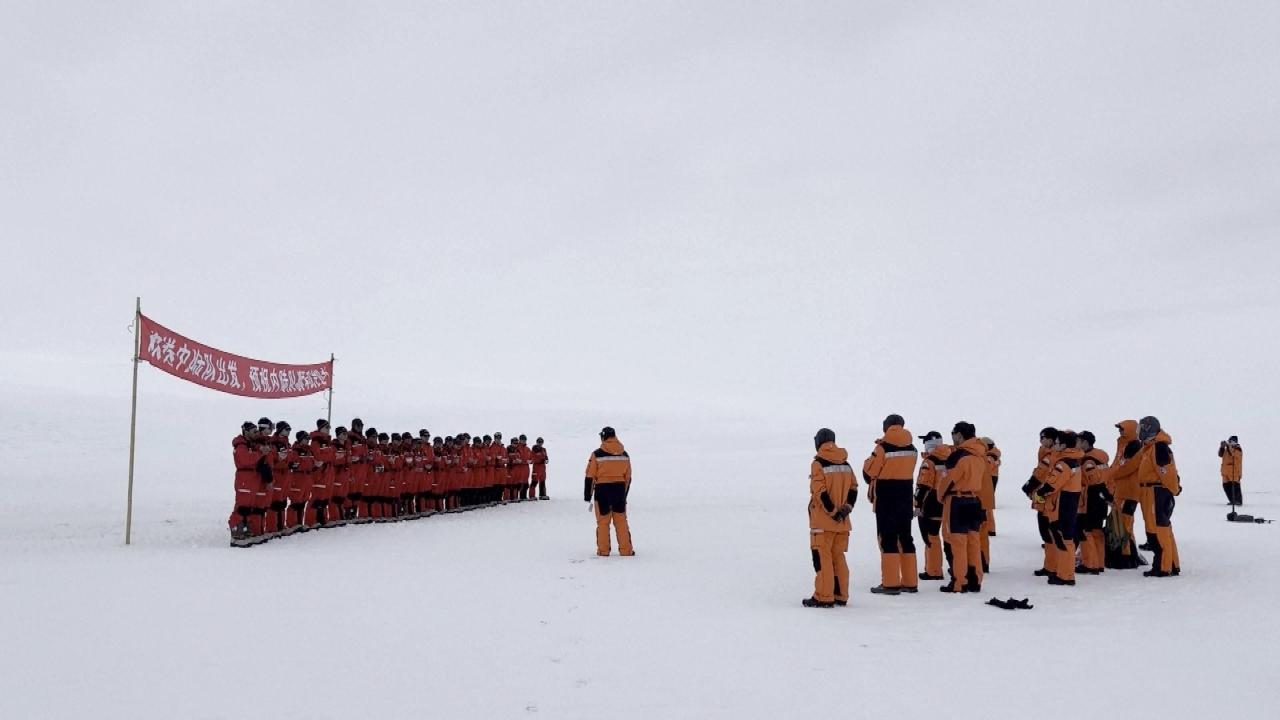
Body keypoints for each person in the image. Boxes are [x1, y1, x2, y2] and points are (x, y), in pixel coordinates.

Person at [862, 414, 920, 595]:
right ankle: (910, 582)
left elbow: (869, 470)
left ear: (886, 427)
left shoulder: (882, 448)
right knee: (906, 538)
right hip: (905, 495)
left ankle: (891, 583)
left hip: (887, 496)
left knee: (887, 539)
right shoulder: (913, 448)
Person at [805, 428, 858, 608]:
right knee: (839, 558)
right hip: (842, 524)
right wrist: (846, 510)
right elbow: (854, 489)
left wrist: (833, 512)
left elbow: (820, 492)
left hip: (823, 523)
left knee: (822, 559)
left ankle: (824, 596)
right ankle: (841, 595)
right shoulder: (846, 463)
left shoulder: (818, 463)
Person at [1032, 430, 1083, 586]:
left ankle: (1066, 575)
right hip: (1068, 505)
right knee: (1063, 539)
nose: (1055, 446)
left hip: (1063, 506)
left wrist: (1039, 492)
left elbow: (1052, 484)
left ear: (1064, 445)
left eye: (1057, 443)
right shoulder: (1073, 460)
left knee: (1064, 540)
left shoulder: (1064, 463)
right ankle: (1061, 572)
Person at [940, 422, 986, 593]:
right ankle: (975, 580)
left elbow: (947, 480)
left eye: (953, 433)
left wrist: (940, 495)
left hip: (957, 501)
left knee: (958, 543)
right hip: (974, 500)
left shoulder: (958, 456)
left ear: (959, 435)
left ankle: (960, 582)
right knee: (974, 542)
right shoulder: (980, 455)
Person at [1134, 416, 1181, 577]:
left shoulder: (1159, 447)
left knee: (1158, 529)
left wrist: (1172, 490)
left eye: (1141, 428)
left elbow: (1167, 472)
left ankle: (1163, 566)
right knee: (1163, 527)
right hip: (1151, 492)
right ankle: (1171, 564)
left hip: (1156, 492)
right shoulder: (1151, 447)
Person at [584, 427, 634, 557]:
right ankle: (626, 550)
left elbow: (590, 475)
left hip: (602, 491)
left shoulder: (597, 454)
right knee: (621, 521)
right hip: (619, 490)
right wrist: (624, 494)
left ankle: (603, 551)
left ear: (604, 437)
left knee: (603, 522)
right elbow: (628, 477)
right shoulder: (625, 455)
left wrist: (587, 495)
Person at [914, 432, 949, 581]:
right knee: (947, 538)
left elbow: (923, 486)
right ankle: (954, 567)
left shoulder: (929, 462)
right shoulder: (951, 458)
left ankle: (934, 571)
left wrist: (917, 504)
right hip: (947, 502)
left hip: (931, 505)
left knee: (931, 538)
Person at [1076, 431, 1111, 575]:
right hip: (1102, 498)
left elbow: (1092, 481)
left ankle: (1090, 564)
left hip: (1091, 499)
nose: (1077, 443)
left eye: (1079, 441)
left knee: (1085, 531)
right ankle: (1099, 563)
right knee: (1097, 531)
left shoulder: (1087, 461)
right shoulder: (1100, 457)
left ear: (1085, 442)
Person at [1220, 436, 1244, 505]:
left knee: (1235, 487)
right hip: (1226, 472)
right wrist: (1222, 447)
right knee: (1226, 486)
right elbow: (1220, 454)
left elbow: (1233, 454)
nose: (1229, 443)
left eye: (1231, 442)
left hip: (1234, 472)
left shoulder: (1238, 449)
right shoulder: (1228, 449)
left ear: (1235, 442)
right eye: (1229, 441)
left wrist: (1228, 446)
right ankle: (1232, 500)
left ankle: (1238, 501)